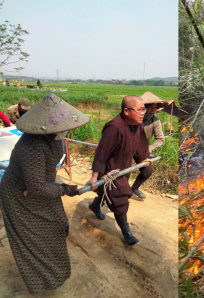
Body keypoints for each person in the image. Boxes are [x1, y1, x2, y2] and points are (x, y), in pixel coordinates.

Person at [0, 93, 88, 294]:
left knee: (58, 225)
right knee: (34, 239)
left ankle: (52, 272)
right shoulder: (33, 146)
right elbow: (36, 186)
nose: (66, 129)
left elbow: (42, 177)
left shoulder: (54, 139)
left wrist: (47, 185)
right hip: (18, 195)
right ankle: (41, 281)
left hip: (37, 188)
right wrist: (65, 189)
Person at [86, 95, 151, 246]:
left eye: (144, 109)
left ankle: (95, 205)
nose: (143, 113)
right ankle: (126, 233)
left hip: (125, 166)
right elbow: (101, 152)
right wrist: (95, 176)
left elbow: (139, 144)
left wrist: (142, 159)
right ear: (127, 111)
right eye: (139, 110)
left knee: (106, 192)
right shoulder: (114, 127)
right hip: (110, 170)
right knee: (120, 198)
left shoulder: (138, 124)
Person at [130, 92, 167, 199]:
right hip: (127, 147)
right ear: (142, 108)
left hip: (141, 149)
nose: (153, 110)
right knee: (121, 171)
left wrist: (148, 149)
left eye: (155, 108)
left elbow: (160, 139)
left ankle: (134, 188)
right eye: (150, 107)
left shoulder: (155, 121)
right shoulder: (132, 118)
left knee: (147, 170)